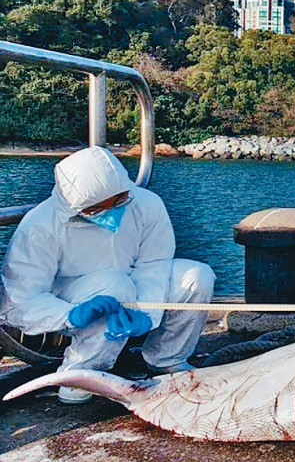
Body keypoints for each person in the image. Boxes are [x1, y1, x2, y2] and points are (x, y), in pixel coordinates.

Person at [0, 146, 215, 403]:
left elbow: (154, 263)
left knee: (197, 276)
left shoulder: (147, 204)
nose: (112, 211)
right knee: (113, 285)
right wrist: (69, 314)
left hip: (130, 285)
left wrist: (146, 313)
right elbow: (20, 299)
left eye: (119, 200)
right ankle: (80, 372)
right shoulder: (40, 227)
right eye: (96, 209)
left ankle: (167, 358)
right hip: (74, 302)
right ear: (75, 206)